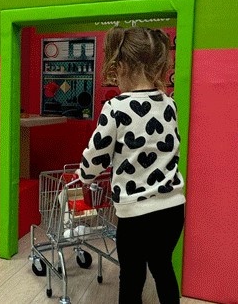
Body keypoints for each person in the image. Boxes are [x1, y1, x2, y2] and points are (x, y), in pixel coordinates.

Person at [78, 26, 185, 304]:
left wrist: (84, 176)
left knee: (132, 275)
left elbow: (97, 152)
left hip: (135, 213)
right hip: (172, 208)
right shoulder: (169, 104)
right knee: (163, 267)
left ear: (121, 66)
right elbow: (172, 145)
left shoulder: (115, 107)